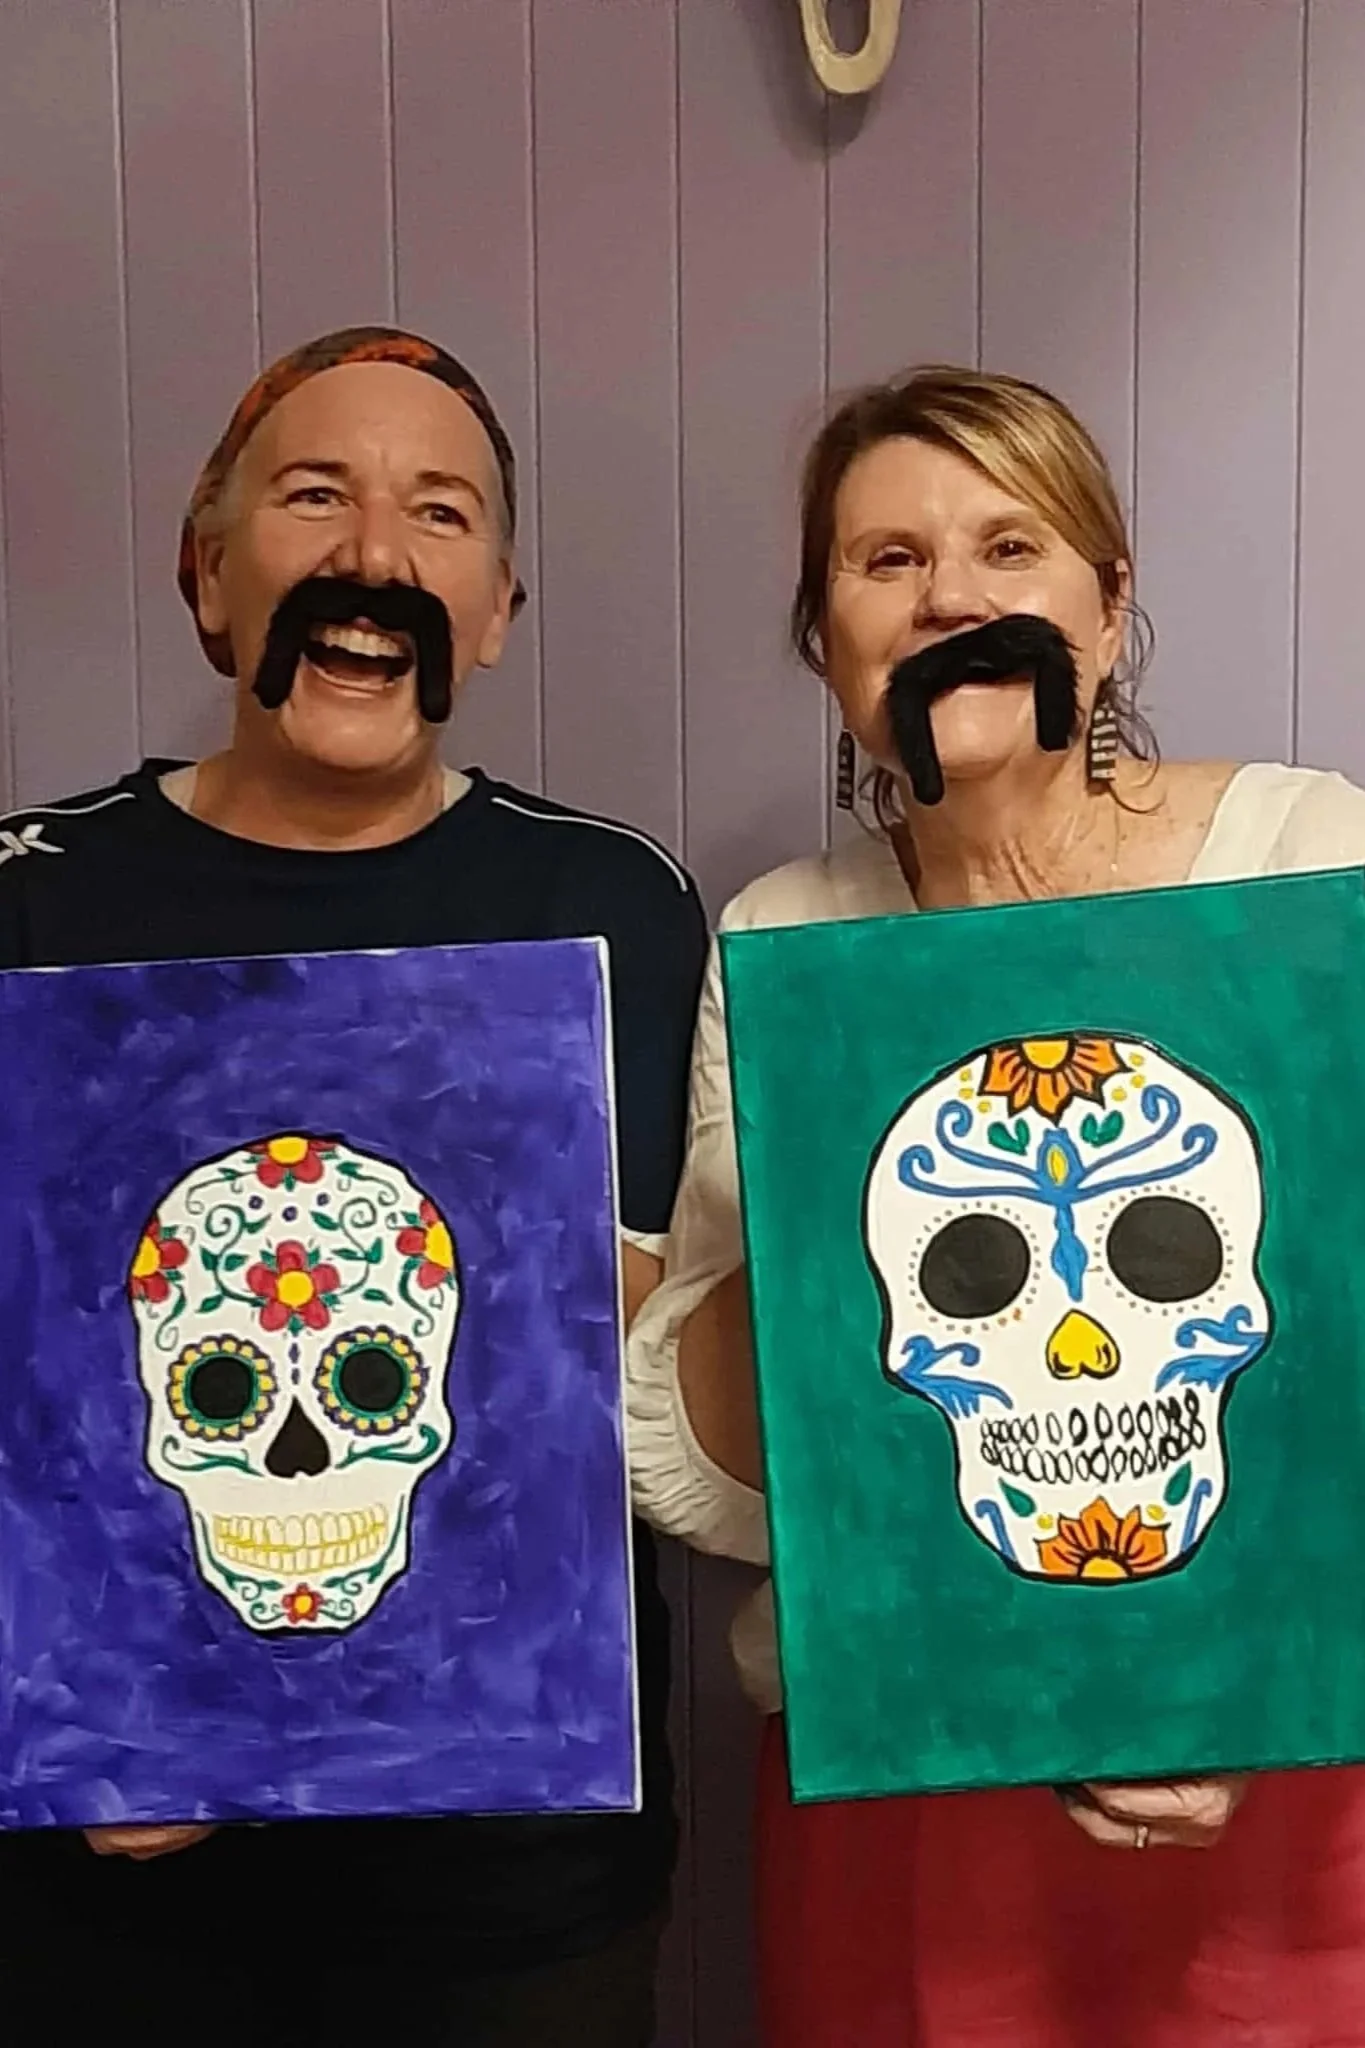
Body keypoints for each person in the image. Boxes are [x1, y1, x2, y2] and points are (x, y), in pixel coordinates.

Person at [628, 363, 1365, 2046]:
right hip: (909, 1774)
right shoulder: (788, 935)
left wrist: (1255, 1674)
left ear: (1108, 612)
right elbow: (737, 1478)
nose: (950, 593)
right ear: (828, 643)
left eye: (1008, 544)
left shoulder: (1310, 863)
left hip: (1292, 1779)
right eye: (885, 561)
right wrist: (827, 1189)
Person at [0, 326, 707, 2047]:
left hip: (512, 1887)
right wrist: (54, 1691)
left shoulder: (611, 908)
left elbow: (657, 1368)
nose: (374, 558)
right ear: (209, 572)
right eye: (315, 496)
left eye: (441, 515)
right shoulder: (32, 900)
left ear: (497, 609)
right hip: (116, 1880)